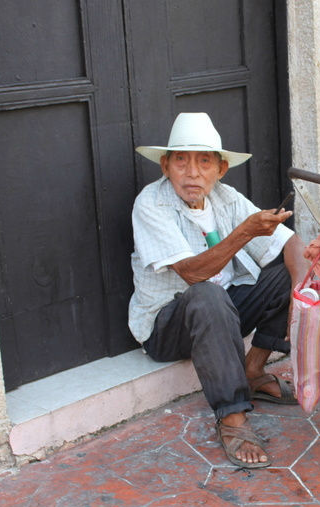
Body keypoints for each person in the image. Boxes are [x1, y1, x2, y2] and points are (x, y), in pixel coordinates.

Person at [128, 112, 309, 468]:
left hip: (223, 312)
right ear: (165, 166)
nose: (192, 172)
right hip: (168, 325)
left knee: (288, 274)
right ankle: (232, 417)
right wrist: (244, 232)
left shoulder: (225, 197)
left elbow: (290, 244)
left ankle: (252, 371)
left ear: (220, 170)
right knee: (206, 293)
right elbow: (192, 273)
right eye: (181, 160)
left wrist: (304, 289)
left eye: (204, 161)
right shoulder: (150, 204)